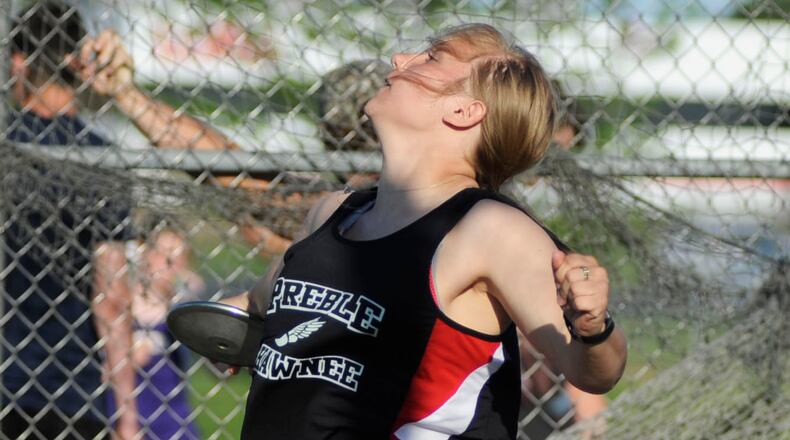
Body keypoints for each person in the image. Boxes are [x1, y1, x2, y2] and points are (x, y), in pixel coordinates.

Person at [218, 23, 627, 439]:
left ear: (465, 110)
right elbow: (255, 303)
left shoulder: (488, 229)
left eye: (431, 58)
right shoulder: (333, 215)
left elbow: (594, 372)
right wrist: (220, 326)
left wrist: (593, 328)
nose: (398, 61)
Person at [1, 2, 233, 438]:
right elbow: (110, 294)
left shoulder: (8, 145)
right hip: (73, 379)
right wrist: (126, 414)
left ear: (18, 61)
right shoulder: (100, 158)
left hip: (11, 373)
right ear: (77, 63)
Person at [106, 227, 203, 440]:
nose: (170, 263)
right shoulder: (122, 306)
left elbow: (196, 284)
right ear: (145, 254)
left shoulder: (180, 307)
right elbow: (107, 370)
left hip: (174, 422)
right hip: (130, 418)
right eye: (163, 253)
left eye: (179, 256)